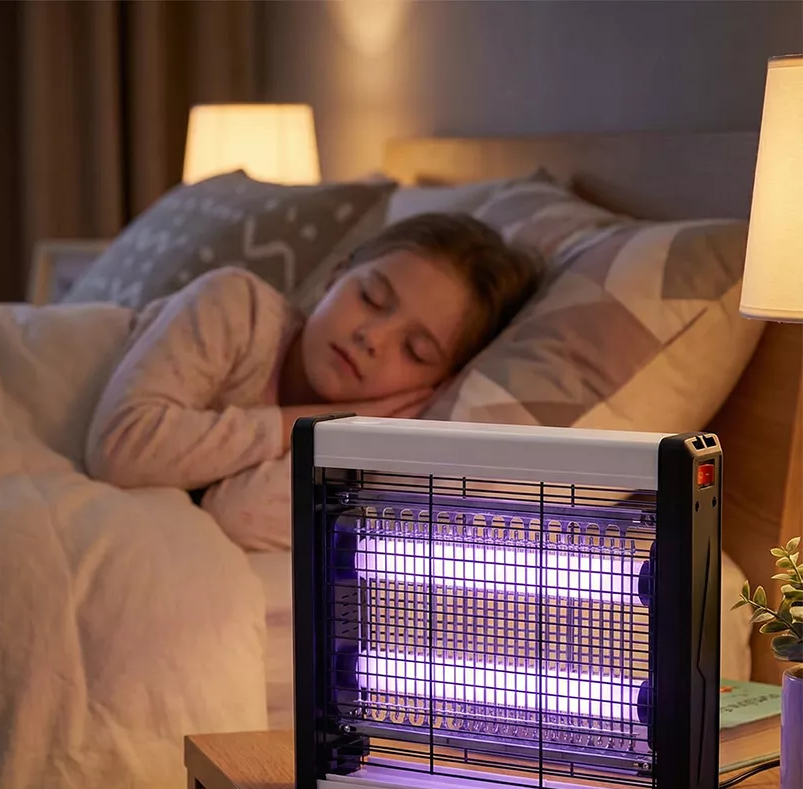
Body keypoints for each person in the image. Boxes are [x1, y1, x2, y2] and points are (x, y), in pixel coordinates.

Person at [86, 213, 541, 550]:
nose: (372, 337)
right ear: (334, 276)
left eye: (415, 351)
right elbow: (121, 448)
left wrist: (339, 432)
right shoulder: (235, 307)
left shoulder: (363, 456)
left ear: (435, 387)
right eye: (371, 297)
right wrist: (302, 421)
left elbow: (236, 516)